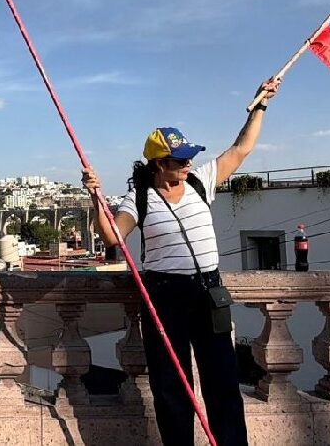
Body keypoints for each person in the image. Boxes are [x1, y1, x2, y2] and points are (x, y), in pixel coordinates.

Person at [81, 79, 279, 446]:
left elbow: (242, 148)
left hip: (208, 291)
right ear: (159, 163)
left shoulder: (202, 181)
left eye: (189, 156)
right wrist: (96, 198)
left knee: (223, 381)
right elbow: (111, 236)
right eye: (180, 159)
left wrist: (260, 106)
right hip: (164, 295)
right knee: (171, 387)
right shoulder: (138, 198)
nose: (189, 163)